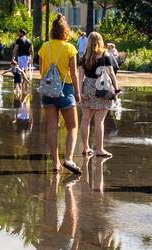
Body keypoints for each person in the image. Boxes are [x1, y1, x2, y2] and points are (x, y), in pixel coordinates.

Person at [36, 15, 82, 175]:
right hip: (65, 90)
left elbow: (41, 71)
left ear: (52, 31)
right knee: (72, 127)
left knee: (51, 127)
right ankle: (68, 158)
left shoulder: (44, 47)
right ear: (66, 31)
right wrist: (77, 92)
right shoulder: (70, 48)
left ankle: (55, 163)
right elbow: (74, 73)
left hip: (48, 91)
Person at [77, 31, 118, 159]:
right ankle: (99, 149)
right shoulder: (105, 56)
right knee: (99, 121)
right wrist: (116, 90)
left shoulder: (85, 57)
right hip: (102, 88)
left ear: (88, 42)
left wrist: (79, 92)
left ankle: (85, 148)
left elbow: (80, 76)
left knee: (85, 119)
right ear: (101, 41)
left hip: (88, 87)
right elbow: (111, 73)